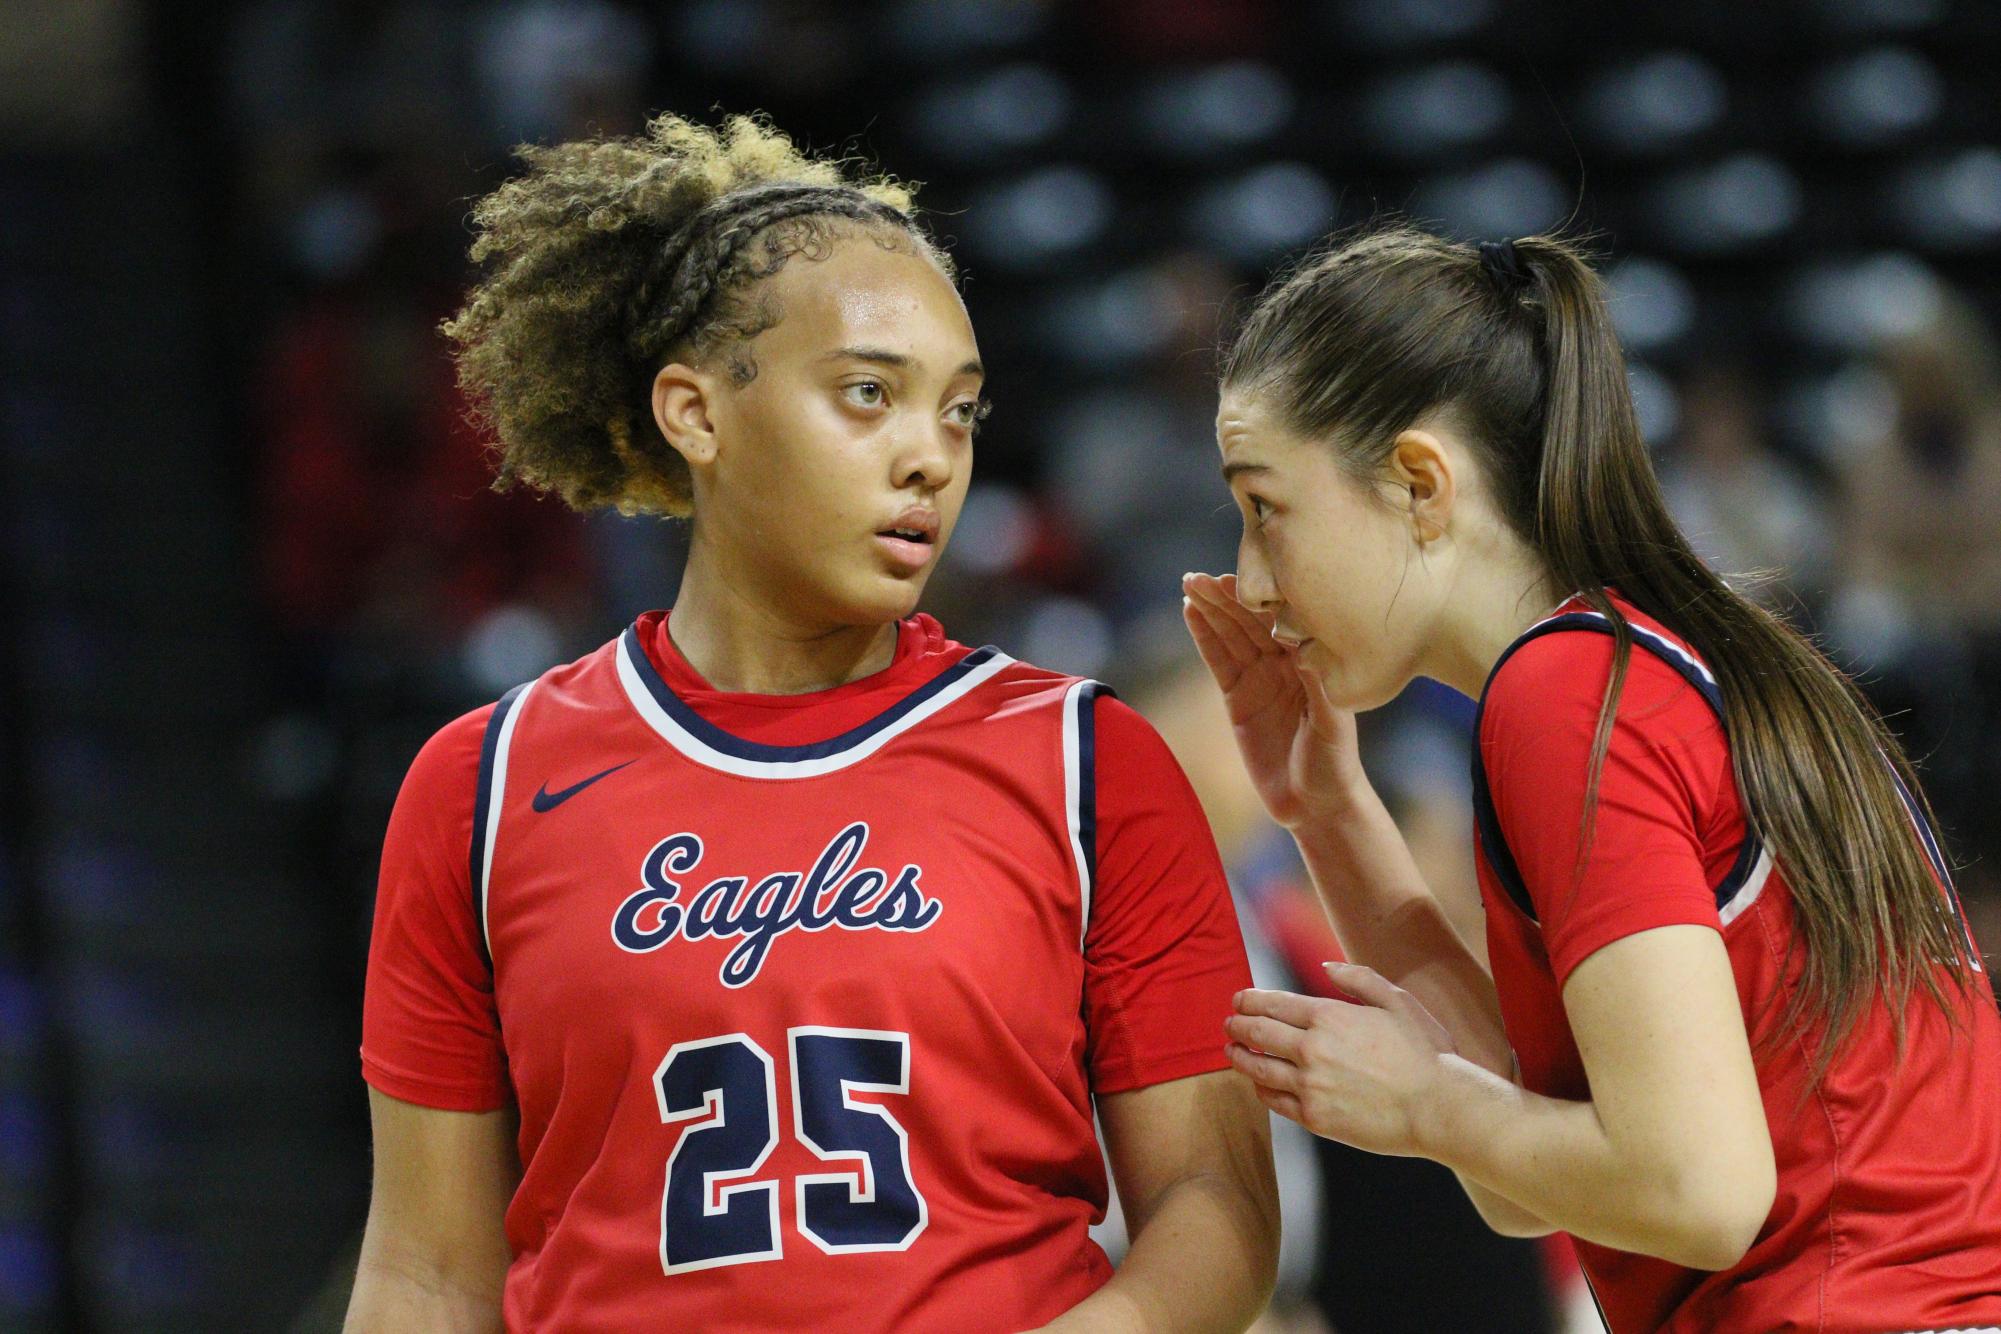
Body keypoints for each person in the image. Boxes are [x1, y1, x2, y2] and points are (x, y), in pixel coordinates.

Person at [346, 113, 1278, 1332]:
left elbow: (1217, 1203)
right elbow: (424, 1271)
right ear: (695, 412)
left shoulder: (1087, 760)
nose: (929, 458)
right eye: (867, 394)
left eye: (959, 411)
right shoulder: (479, 783)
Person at [1183, 226, 2001, 1332]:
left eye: (1264, 508)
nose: (1251, 579)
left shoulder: (1566, 692)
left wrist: (1424, 1104)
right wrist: (1328, 808)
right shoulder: (1657, 653)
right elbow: (1529, 1173)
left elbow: (1695, 1190)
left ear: (1422, 481)